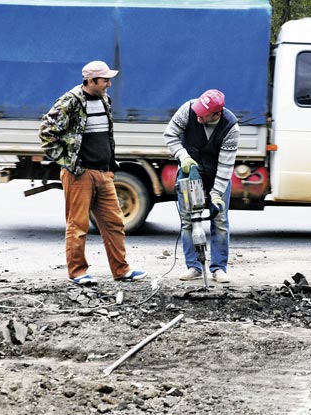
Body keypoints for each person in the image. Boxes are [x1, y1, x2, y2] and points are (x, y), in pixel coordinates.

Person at [39, 60, 146, 285]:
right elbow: (47, 133)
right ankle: (77, 272)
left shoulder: (105, 100)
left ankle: (121, 270)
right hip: (80, 174)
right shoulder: (70, 101)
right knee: (77, 226)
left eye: (108, 79)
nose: (108, 83)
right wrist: (69, 162)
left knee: (115, 223)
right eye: (104, 79)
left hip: (103, 173)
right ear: (91, 80)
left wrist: (108, 169)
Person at [164, 89, 239, 283]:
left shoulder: (230, 127)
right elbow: (170, 135)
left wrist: (216, 193)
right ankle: (194, 266)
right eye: (197, 111)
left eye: (202, 115)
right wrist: (183, 156)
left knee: (220, 220)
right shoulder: (187, 110)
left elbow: (226, 165)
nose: (197, 116)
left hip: (217, 175)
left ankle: (218, 268)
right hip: (191, 174)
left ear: (216, 114)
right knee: (189, 220)